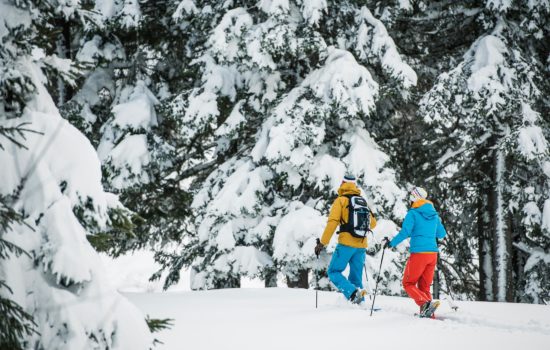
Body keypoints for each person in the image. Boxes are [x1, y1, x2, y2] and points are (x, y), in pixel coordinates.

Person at [385, 187, 447, 318]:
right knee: (424, 287)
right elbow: (442, 234)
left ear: (414, 197)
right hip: (432, 255)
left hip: (419, 254)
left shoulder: (413, 213)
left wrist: (391, 243)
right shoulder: (434, 215)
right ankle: (429, 315)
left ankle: (425, 304)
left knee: (408, 283)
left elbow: (405, 232)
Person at [314, 174, 377, 304]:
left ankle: (353, 294)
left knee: (333, 271)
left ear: (342, 184)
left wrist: (322, 243)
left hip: (346, 244)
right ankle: (360, 303)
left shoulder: (341, 200)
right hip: (361, 246)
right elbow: (373, 223)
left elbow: (332, 223)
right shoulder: (362, 201)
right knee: (356, 278)